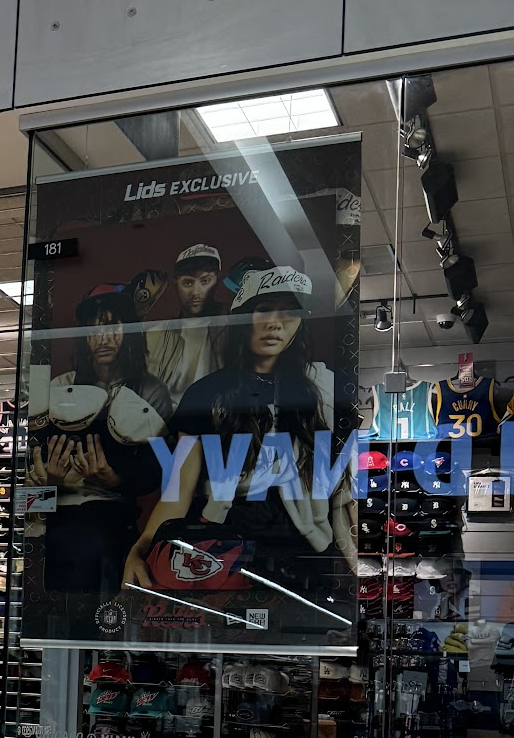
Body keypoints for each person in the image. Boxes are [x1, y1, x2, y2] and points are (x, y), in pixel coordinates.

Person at [123, 265, 355, 626]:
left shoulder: (324, 388)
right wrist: (141, 548)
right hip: (225, 555)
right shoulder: (206, 393)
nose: (275, 323)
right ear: (243, 318)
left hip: (303, 557)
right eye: (264, 310)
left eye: (289, 312)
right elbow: (178, 492)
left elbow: (342, 493)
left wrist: (361, 565)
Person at [26, 286, 168, 633]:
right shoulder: (59, 386)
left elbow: (161, 470)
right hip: (57, 524)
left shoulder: (150, 391)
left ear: (129, 331)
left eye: (114, 325)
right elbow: (29, 488)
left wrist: (117, 481)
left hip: (113, 522)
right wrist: (51, 484)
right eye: (94, 327)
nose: (103, 337)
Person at [144, 241, 224, 402]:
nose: (195, 292)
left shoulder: (233, 327)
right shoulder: (156, 334)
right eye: (188, 282)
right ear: (176, 283)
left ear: (217, 280)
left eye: (205, 281)